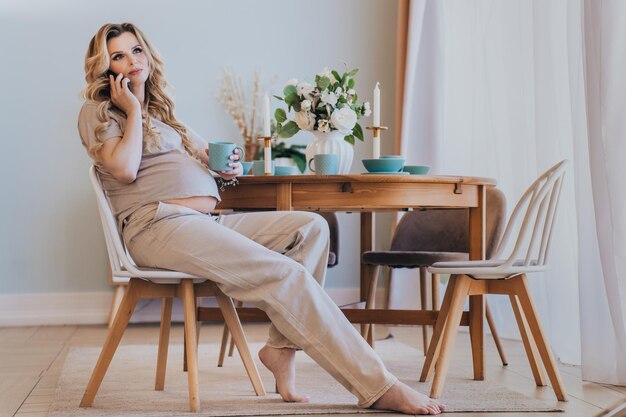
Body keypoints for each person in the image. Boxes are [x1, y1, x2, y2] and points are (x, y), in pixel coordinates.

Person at [78, 22, 445, 415]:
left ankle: (281, 349)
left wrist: (224, 167)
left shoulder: (163, 114)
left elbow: (205, 153)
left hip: (202, 224)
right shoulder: (98, 112)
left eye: (136, 50)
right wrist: (132, 108)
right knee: (285, 274)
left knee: (309, 227)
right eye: (118, 55)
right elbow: (124, 170)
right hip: (157, 226)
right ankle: (378, 385)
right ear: (104, 67)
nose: (132, 61)